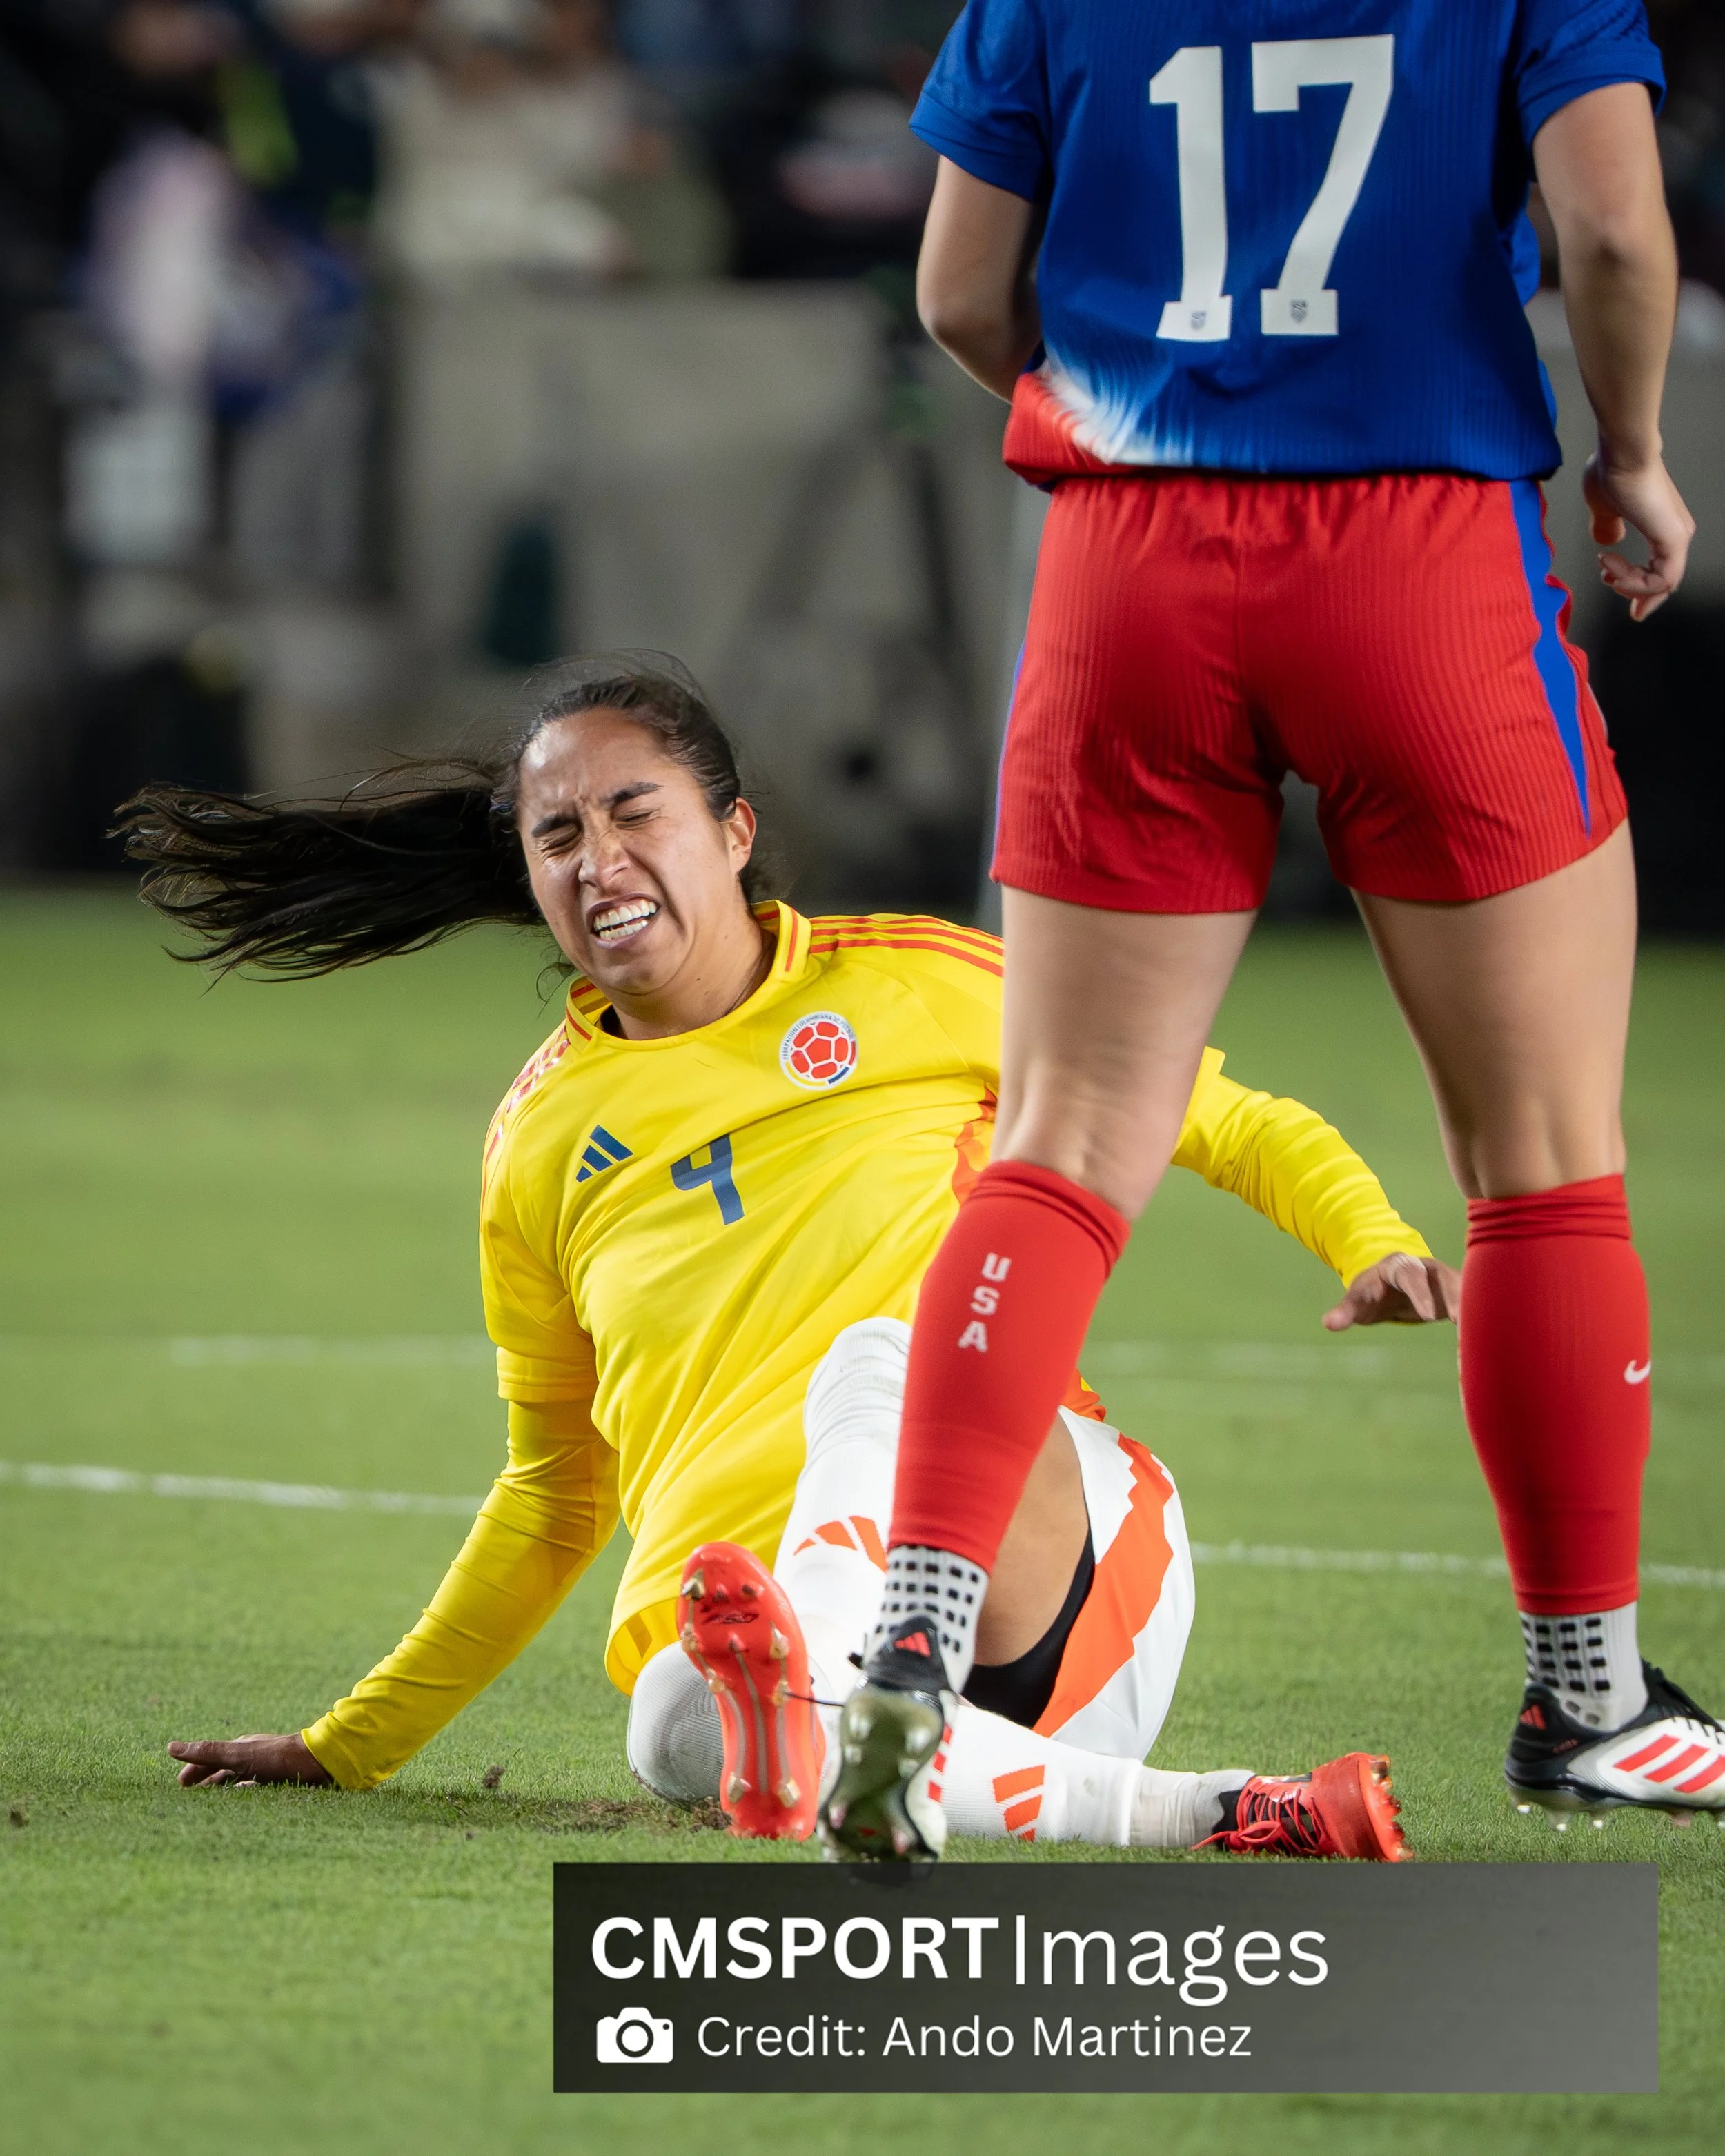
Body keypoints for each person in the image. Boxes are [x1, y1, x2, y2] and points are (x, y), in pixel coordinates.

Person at [821, 0, 1725, 1859]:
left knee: (1061, 1144)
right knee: (1541, 1164)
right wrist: (1630, 450)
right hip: (1418, 548)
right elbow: (1615, 233)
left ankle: (911, 1636)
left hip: (1128, 555)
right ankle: (1587, 1697)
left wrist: (1127, 390)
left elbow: (957, 290)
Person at [126, 657, 1445, 1856]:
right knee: (665, 1727)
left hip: (1048, 1582)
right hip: (895, 1716)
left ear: (735, 831)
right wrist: (349, 1745)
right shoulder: (536, 1146)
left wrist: (1373, 1241)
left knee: (877, 1356)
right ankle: (1209, 1808)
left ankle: (815, 1679)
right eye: (558, 837)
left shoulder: (912, 984)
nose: (599, 861)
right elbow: (554, 1495)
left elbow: (1223, 1118)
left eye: (635, 814)